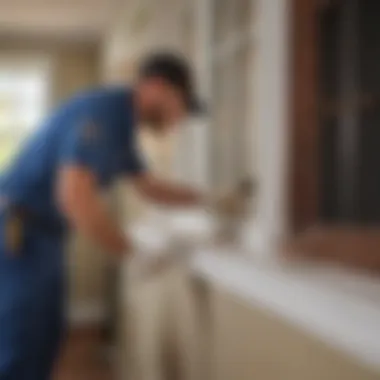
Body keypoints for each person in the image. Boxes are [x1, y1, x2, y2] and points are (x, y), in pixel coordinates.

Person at [0, 51, 208, 380]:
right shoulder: (104, 111)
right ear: (155, 87)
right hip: (18, 230)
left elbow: (151, 188)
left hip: (44, 234)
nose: (177, 119)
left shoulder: (123, 129)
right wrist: (131, 252)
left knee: (46, 338)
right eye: (179, 105)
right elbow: (73, 197)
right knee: (23, 344)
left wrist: (208, 200)